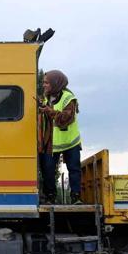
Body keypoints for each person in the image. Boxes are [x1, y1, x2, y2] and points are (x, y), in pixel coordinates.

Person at [38, 70, 82, 204]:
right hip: (52, 143)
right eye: (43, 83)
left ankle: (76, 197)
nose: (44, 85)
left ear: (56, 83)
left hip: (70, 142)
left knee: (74, 169)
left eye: (46, 83)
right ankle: (50, 197)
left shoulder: (68, 98)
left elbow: (65, 118)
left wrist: (49, 111)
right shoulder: (46, 98)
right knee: (48, 171)